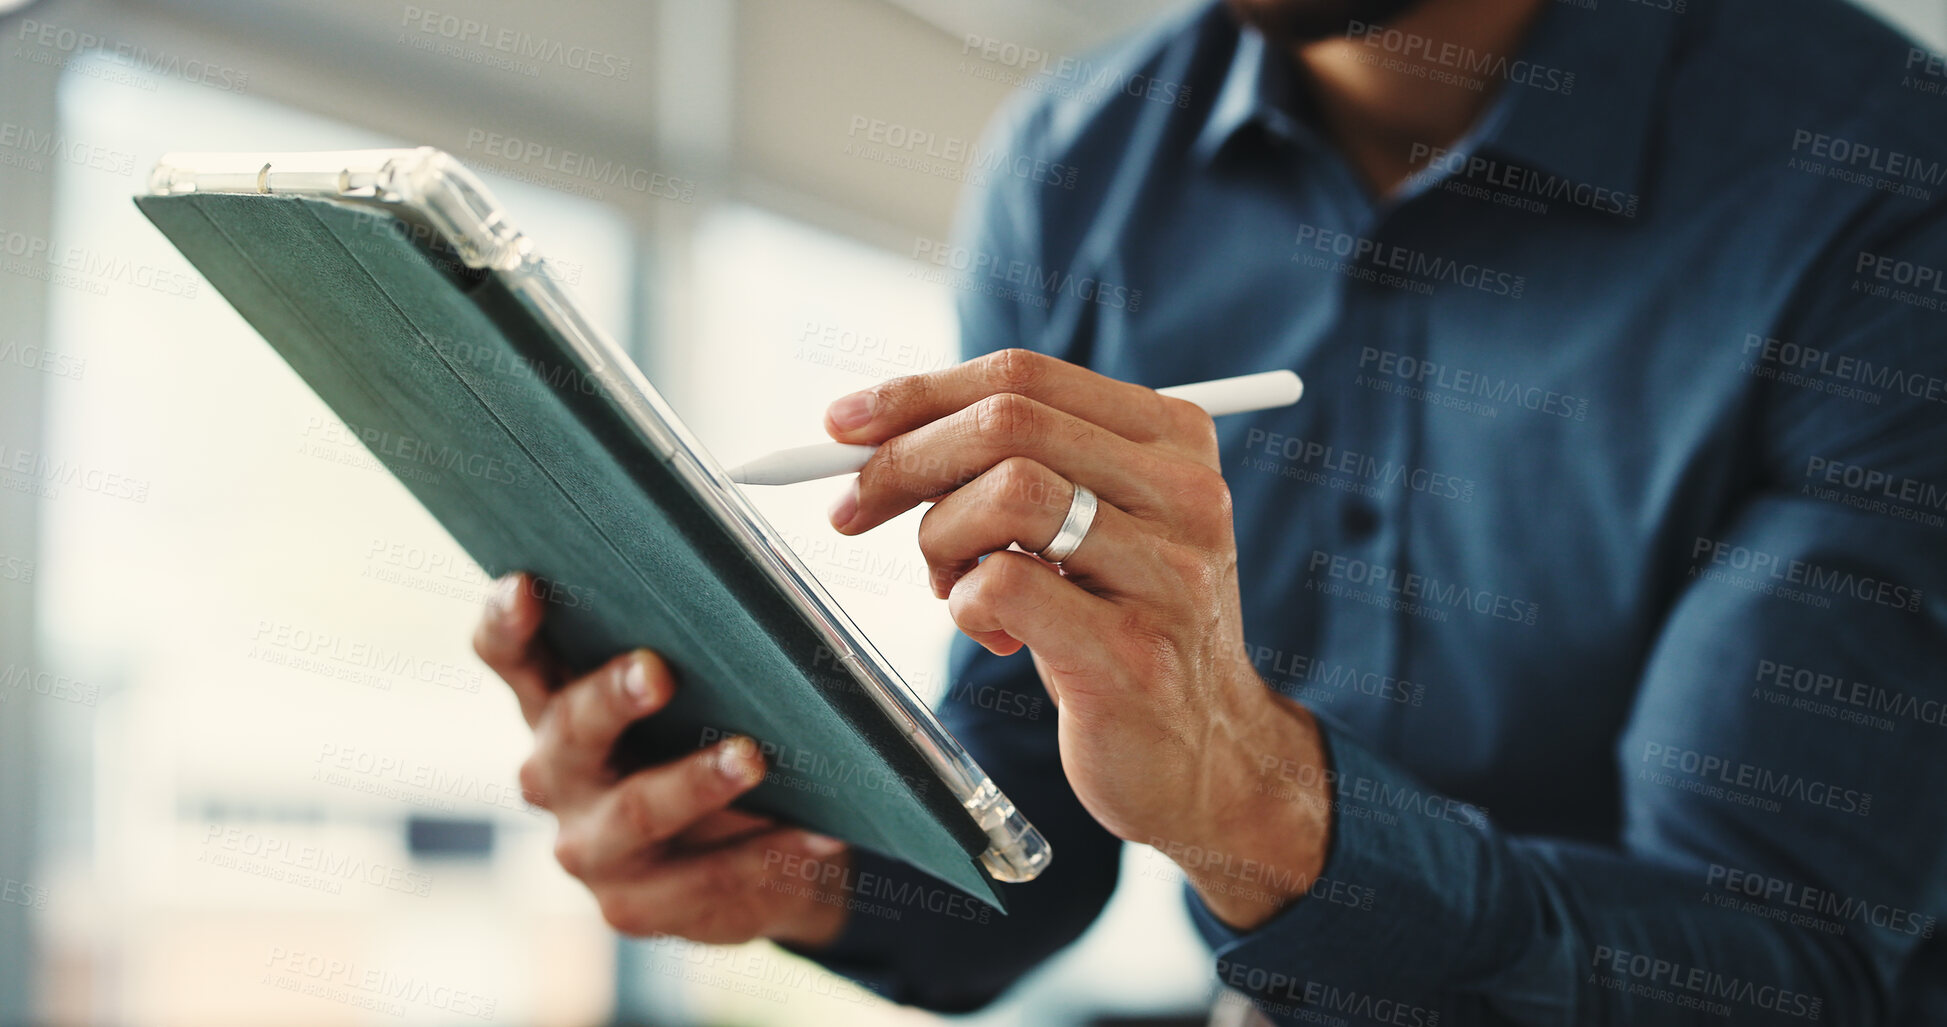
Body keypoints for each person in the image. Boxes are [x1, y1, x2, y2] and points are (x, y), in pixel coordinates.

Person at [473, 0, 1947, 1021]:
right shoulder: (1080, 169)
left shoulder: (1882, 190)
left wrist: (1264, 811)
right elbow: (1031, 842)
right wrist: (776, 862)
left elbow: (1789, 970)